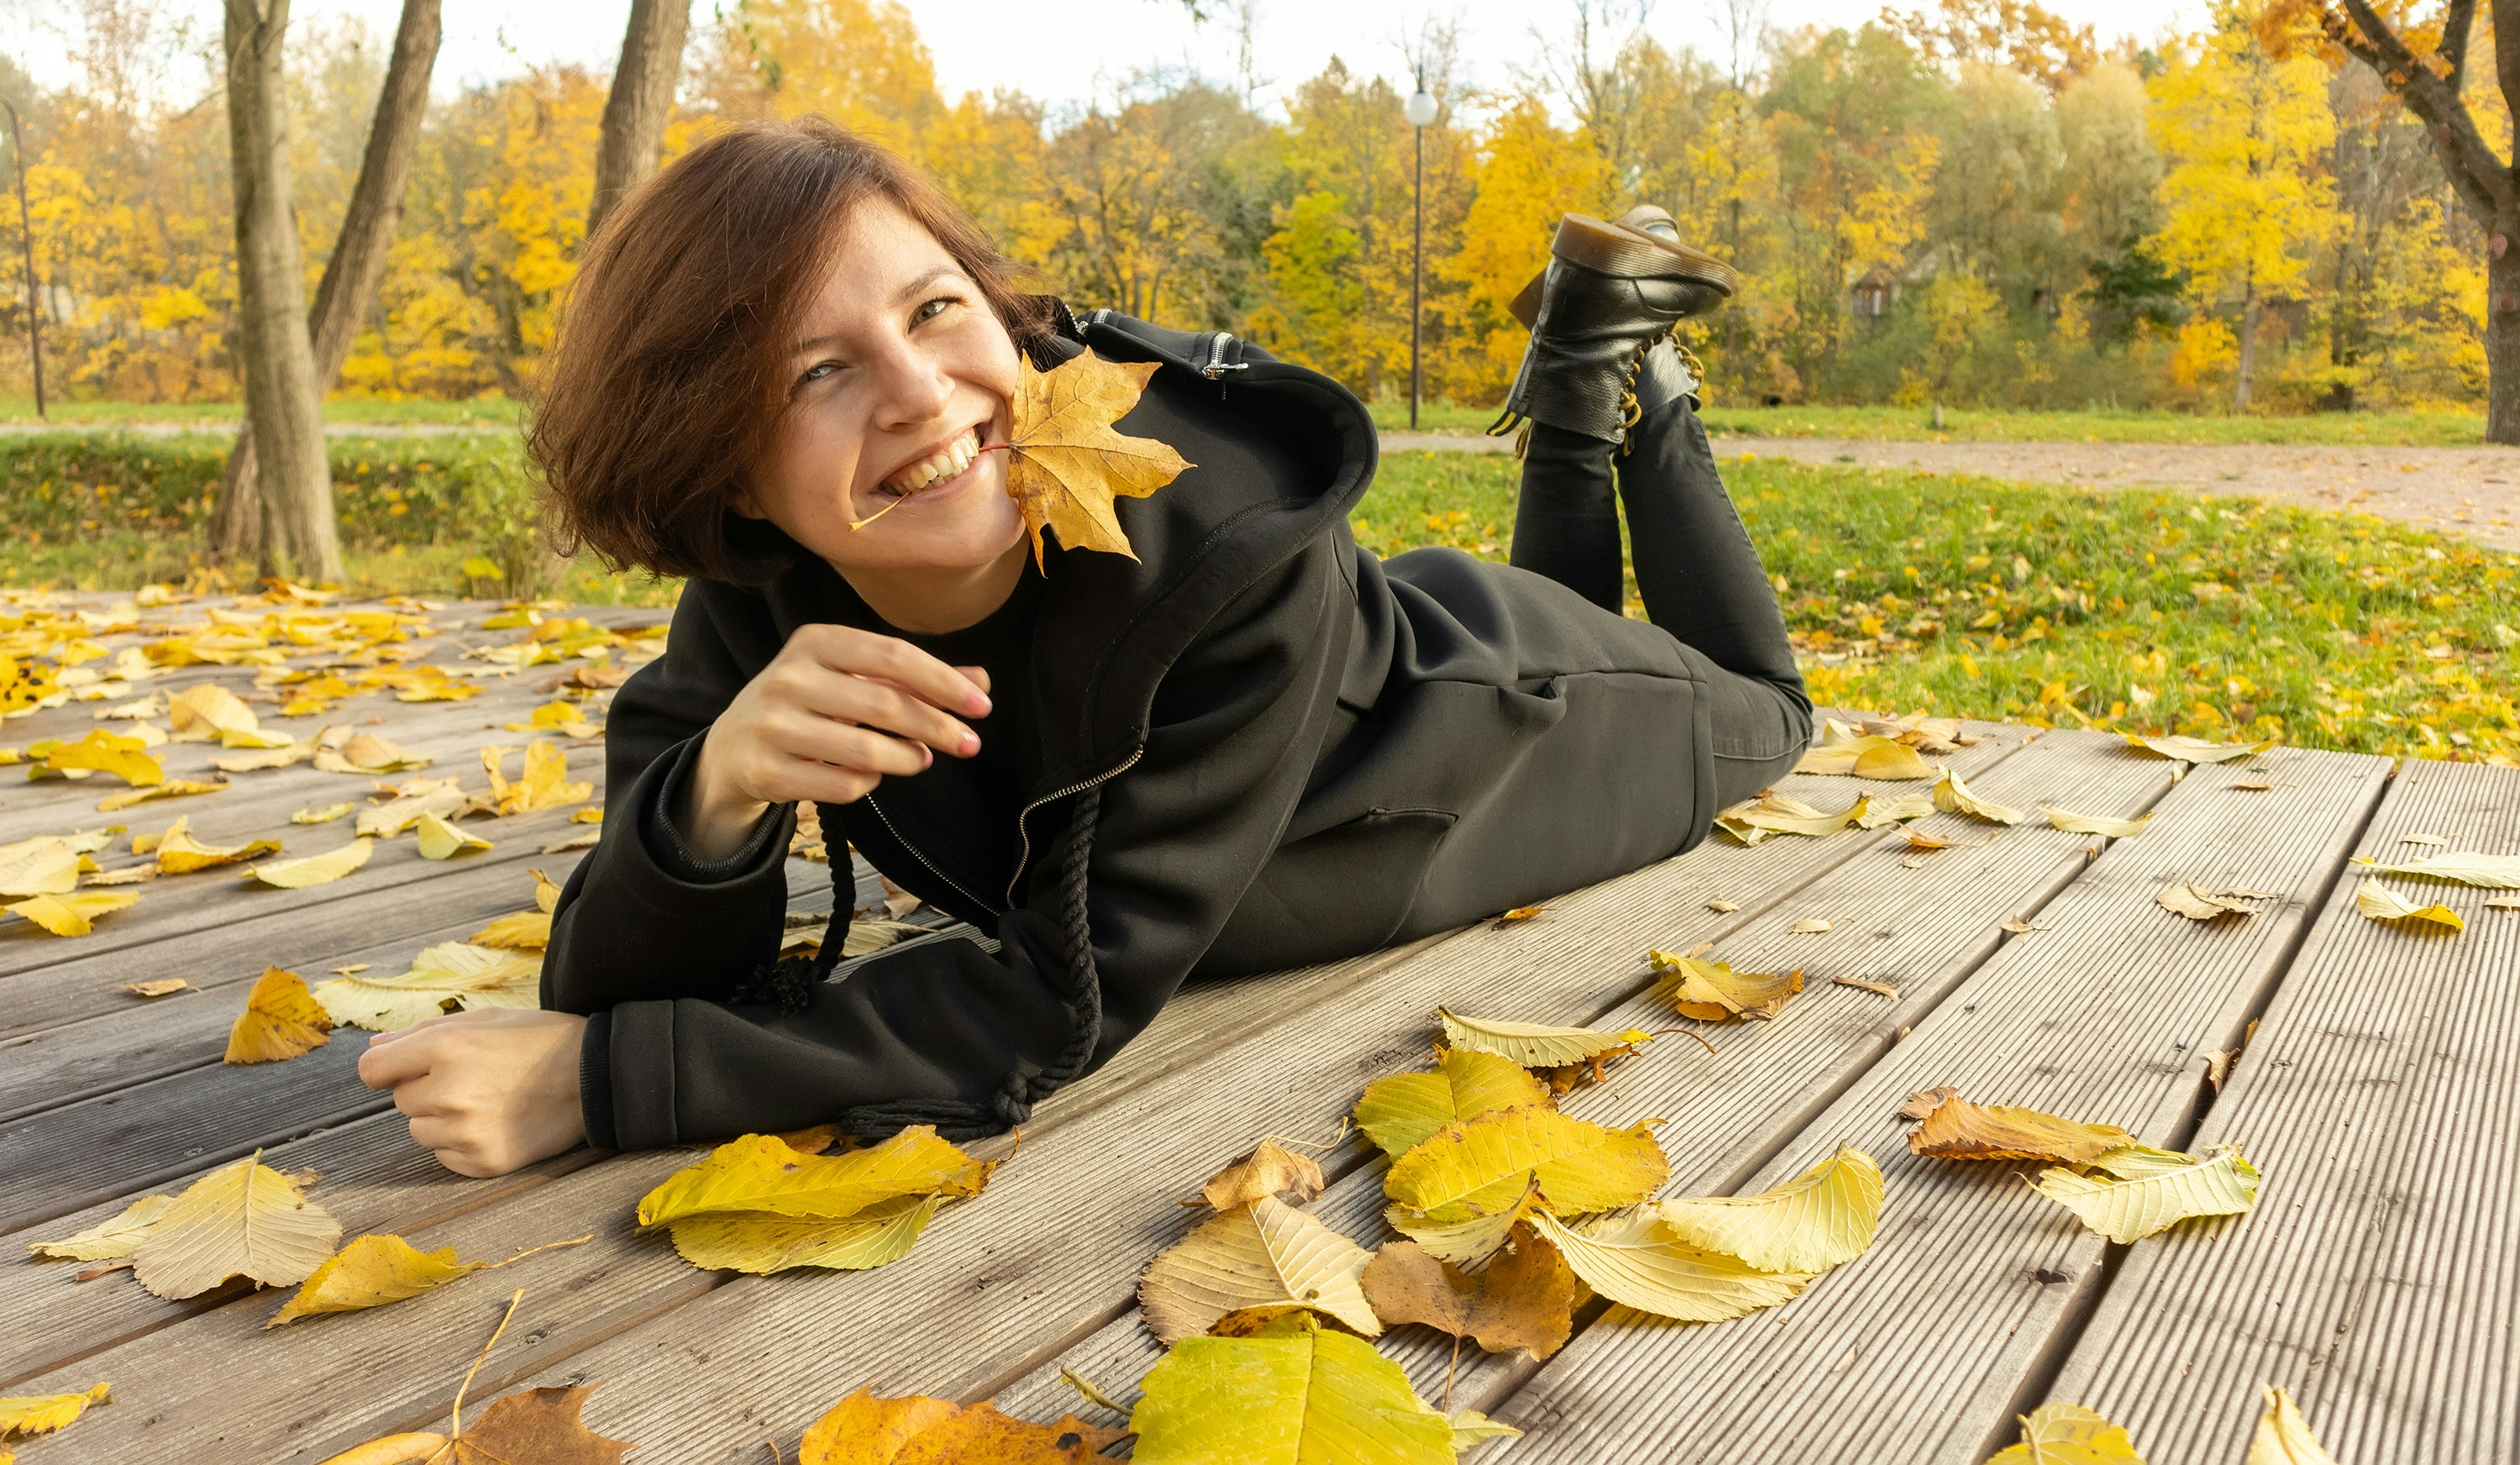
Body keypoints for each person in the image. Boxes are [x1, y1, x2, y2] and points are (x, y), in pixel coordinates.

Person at [356, 118, 1810, 1177]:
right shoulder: (771, 585)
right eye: (816, 373)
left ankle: (1639, 384)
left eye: (934, 309)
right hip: (1388, 671)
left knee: (1768, 713)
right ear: (727, 475)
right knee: (1582, 599)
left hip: (1495, 716)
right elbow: (612, 978)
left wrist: (610, 1087)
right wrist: (713, 796)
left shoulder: (1221, 548)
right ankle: (1576, 377)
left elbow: (1058, 998)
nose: (925, 396)